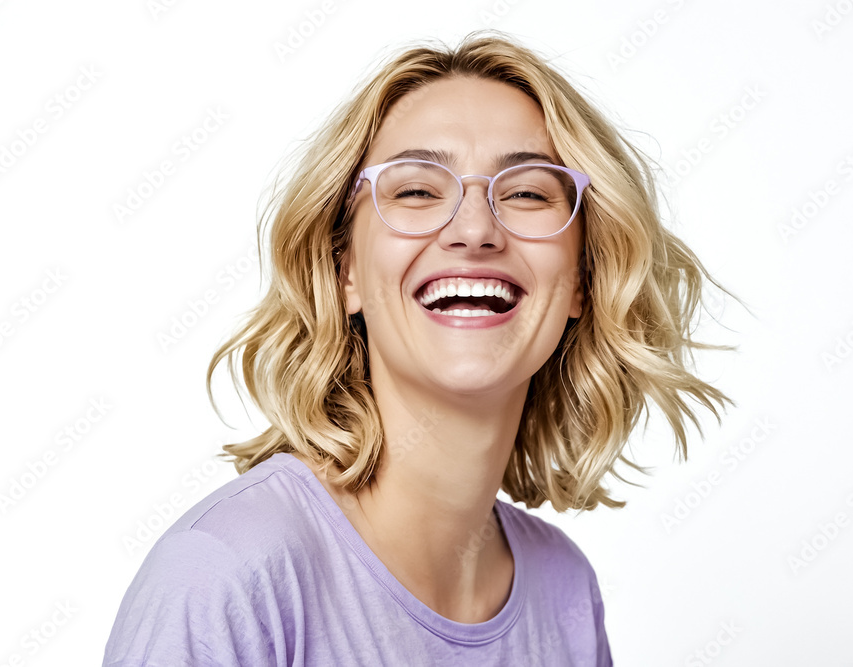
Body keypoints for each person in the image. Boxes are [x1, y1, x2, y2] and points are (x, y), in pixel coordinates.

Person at [104, 30, 731, 666]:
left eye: (526, 192)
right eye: (416, 189)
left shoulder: (564, 589)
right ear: (344, 271)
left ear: (583, 280)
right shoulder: (228, 572)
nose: (475, 229)